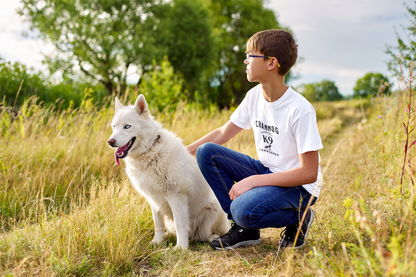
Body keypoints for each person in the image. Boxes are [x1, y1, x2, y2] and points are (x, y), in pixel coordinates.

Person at [186, 29, 323, 250]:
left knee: (242, 209)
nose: (245, 60)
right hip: (267, 170)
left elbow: (309, 172)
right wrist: (182, 152)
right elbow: (223, 133)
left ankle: (299, 218)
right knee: (206, 152)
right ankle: (245, 230)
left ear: (271, 63)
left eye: (251, 55)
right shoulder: (254, 96)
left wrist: (254, 181)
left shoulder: (300, 109)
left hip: (299, 187)